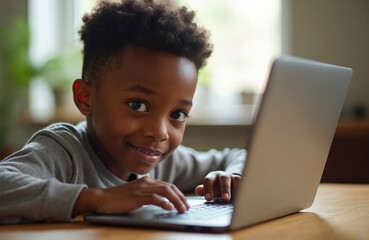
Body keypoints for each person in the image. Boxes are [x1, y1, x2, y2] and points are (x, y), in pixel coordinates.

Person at [0, 0, 246, 223]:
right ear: (85, 98)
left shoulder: (162, 161)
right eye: (137, 105)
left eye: (177, 114)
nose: (159, 133)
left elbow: (236, 155)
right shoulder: (65, 151)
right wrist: (99, 198)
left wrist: (229, 176)